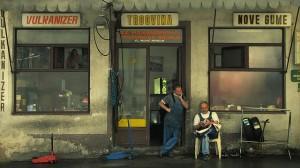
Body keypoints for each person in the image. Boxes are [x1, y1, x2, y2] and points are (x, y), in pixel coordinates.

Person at [159, 84, 189, 157]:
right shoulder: (169, 97)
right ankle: (168, 152)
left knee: (176, 137)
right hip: (169, 120)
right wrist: (167, 109)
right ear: (174, 91)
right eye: (178, 91)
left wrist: (181, 98)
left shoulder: (184, 97)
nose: (179, 92)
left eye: (180, 90)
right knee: (167, 137)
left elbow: (186, 106)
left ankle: (163, 150)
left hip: (178, 121)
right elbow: (160, 103)